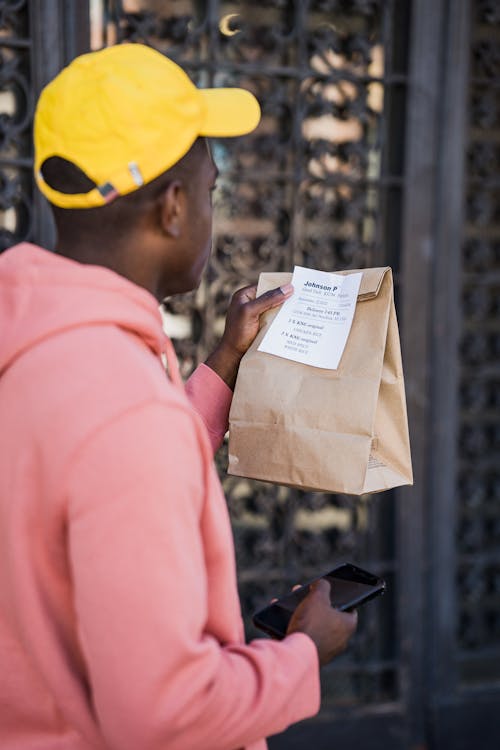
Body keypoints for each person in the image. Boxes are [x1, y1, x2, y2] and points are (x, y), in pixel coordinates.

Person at [0, 43, 357, 750]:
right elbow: (166, 714)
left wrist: (223, 362)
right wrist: (302, 657)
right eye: (211, 192)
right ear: (172, 208)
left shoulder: (36, 344)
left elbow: (91, 469)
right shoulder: (128, 415)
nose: (209, 212)